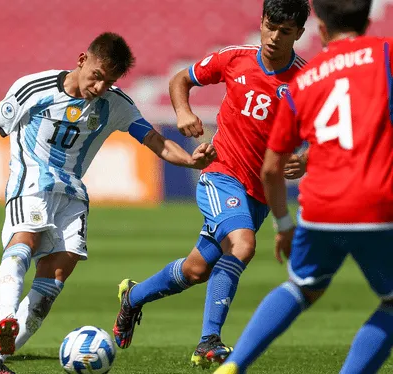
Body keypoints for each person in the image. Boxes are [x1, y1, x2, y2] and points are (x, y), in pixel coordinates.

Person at [0, 32, 217, 374]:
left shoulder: (115, 103)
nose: (99, 87)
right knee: (25, 241)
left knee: (54, 276)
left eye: (108, 81)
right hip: (32, 184)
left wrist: (190, 161)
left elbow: (155, 141)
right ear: (82, 60)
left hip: (73, 196)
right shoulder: (34, 88)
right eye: (97, 76)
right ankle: (8, 317)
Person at [112, 0, 311, 367]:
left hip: (260, 192)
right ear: (262, 22)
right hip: (221, 173)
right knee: (243, 244)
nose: (274, 37)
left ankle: (133, 298)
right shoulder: (235, 59)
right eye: (270, 26)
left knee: (196, 271)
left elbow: (325, 129)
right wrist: (184, 111)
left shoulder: (307, 80)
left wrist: (307, 156)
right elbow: (180, 79)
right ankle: (208, 342)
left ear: (299, 34)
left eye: (285, 31)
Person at [215, 0, 393, 373]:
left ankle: (235, 365)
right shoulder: (385, 54)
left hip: (318, 207)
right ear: (368, 20)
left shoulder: (306, 79)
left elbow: (270, 169)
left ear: (321, 31)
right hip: (375, 202)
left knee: (302, 287)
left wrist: (282, 226)